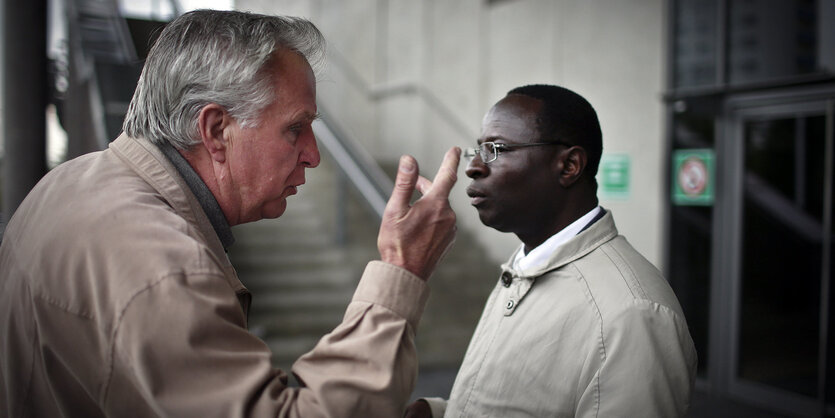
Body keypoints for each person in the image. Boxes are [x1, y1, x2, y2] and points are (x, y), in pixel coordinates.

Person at [0, 10, 461, 417]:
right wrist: (402, 268)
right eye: (296, 129)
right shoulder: (161, 264)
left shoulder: (73, 180)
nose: (313, 156)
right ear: (217, 130)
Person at [405, 84, 697, 417]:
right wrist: (440, 413)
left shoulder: (633, 314)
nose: (474, 167)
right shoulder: (526, 263)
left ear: (570, 165)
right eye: (480, 150)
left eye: (497, 148)